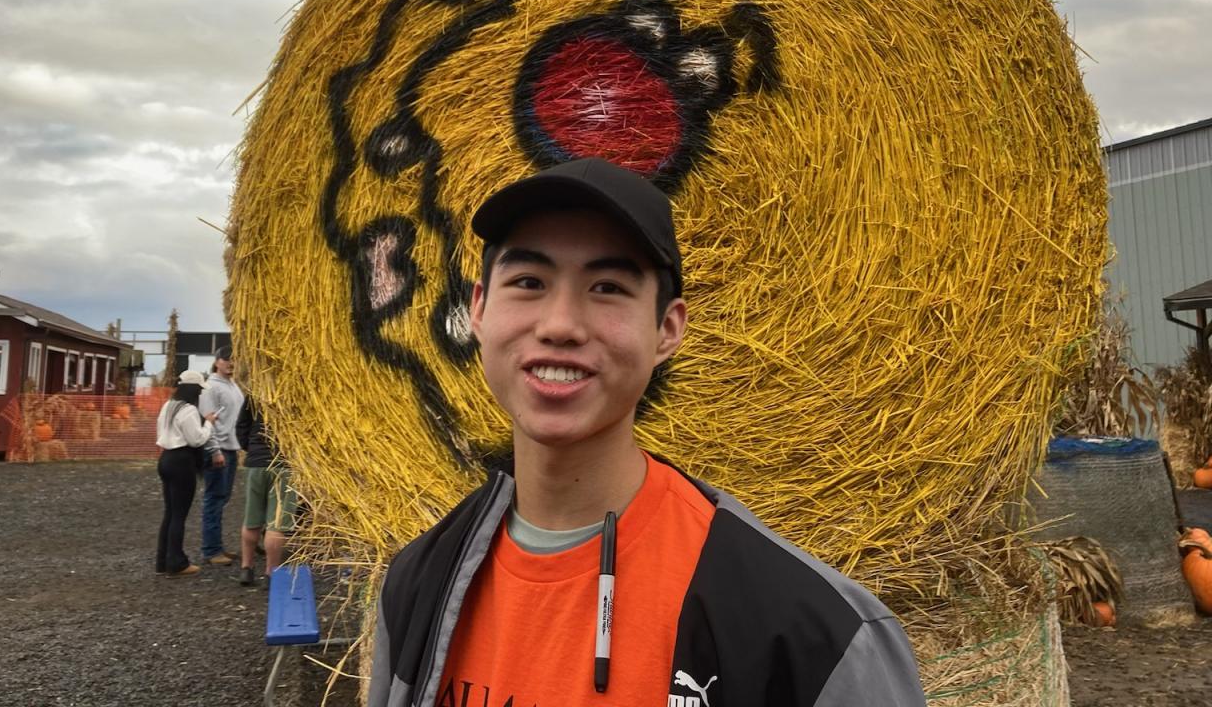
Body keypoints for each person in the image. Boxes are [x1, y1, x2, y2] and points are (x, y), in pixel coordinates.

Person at [368, 157, 926, 707]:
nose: (560, 325)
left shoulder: (809, 636)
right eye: (529, 282)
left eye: (608, 287)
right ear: (480, 309)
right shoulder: (417, 587)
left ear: (667, 329)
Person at [155, 369, 218, 576]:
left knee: (170, 512)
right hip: (182, 460)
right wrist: (209, 424)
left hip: (165, 458)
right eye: (199, 390)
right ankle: (177, 562)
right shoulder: (189, 409)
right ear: (193, 390)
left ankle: (162, 560)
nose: (200, 393)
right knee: (179, 515)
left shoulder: (168, 406)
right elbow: (196, 439)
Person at [234, 396, 298, 586]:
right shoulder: (296, 390)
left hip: (256, 463)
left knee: (251, 519)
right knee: (276, 524)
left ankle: (246, 569)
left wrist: (252, 448)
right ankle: (271, 574)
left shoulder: (256, 391)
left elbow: (241, 426)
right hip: (283, 464)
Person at [199, 345, 245, 565]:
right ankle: (211, 550)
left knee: (222, 498)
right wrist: (215, 450)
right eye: (226, 359)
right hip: (219, 450)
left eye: (234, 359)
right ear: (217, 361)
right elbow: (208, 421)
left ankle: (217, 546)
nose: (231, 363)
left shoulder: (233, 385)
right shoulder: (210, 388)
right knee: (214, 498)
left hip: (231, 448)